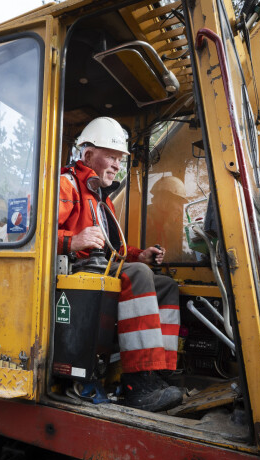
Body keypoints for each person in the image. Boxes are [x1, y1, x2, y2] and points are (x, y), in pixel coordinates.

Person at [58, 117, 182, 412]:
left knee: (166, 286)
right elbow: (35, 234)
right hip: (75, 273)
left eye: (119, 159)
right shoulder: (68, 185)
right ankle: (137, 385)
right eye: (111, 156)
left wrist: (140, 255)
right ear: (88, 155)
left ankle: (159, 373)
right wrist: (72, 241)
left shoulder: (103, 198)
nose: (116, 165)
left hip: (102, 269)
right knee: (138, 276)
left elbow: (114, 249)